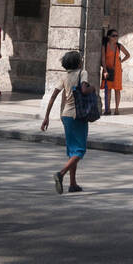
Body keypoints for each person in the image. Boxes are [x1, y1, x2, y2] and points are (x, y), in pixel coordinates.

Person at [41, 51, 92, 193]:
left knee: (72, 150)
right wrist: (91, 88)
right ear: (78, 62)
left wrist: (46, 117)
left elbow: (53, 96)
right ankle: (61, 173)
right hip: (78, 115)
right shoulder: (83, 73)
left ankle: (73, 184)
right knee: (80, 150)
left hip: (65, 115)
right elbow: (84, 89)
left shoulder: (64, 76)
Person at [100, 29, 129, 115]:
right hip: (107, 70)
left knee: (117, 90)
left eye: (117, 35)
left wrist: (121, 62)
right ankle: (107, 109)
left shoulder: (119, 46)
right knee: (108, 90)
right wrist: (105, 70)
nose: (116, 37)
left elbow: (128, 55)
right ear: (109, 37)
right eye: (114, 36)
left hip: (117, 71)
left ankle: (116, 109)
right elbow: (103, 59)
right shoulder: (105, 46)